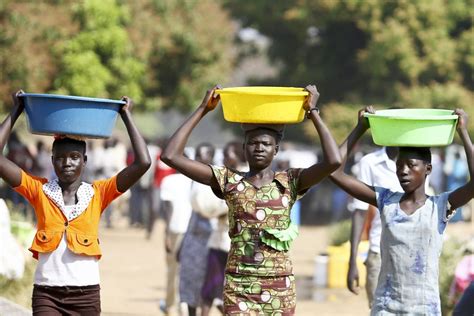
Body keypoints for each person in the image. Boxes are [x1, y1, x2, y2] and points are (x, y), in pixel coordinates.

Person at [161, 84, 341, 314]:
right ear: (244, 148)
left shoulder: (290, 181)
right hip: (239, 286)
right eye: (253, 143)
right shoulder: (228, 181)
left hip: (279, 286)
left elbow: (333, 161)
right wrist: (202, 110)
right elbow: (170, 155)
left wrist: (313, 112)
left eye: (266, 144)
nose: (259, 148)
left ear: (276, 149)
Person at [0, 91, 151, 315]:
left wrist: (126, 116)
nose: (67, 163)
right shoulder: (39, 191)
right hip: (47, 293)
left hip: (86, 295)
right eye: (60, 158)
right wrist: (18, 110)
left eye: (74, 157)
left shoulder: (98, 193)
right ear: (52, 161)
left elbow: (143, 162)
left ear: (85, 160)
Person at [329, 106, 473, 315]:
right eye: (399, 165)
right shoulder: (386, 200)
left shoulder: (440, 206)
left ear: (428, 169)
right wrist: (360, 128)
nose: (403, 171)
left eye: (411, 165)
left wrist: (463, 132)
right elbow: (334, 171)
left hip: (424, 309)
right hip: (386, 308)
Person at [346, 146, 402, 307]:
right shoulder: (370, 163)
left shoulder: (419, 158)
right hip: (379, 251)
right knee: (380, 309)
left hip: (412, 253)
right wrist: (352, 261)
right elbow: (360, 211)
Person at [200, 141, 247, 316]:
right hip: (218, 241)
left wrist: (222, 209)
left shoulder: (246, 177)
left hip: (236, 246)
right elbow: (210, 207)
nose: (226, 159)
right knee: (209, 287)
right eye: (225, 155)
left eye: (230, 155)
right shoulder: (222, 176)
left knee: (233, 292)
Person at [178, 143, 222, 316]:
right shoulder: (193, 182)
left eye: (205, 155)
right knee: (189, 284)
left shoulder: (219, 178)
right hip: (193, 241)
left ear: (211, 157)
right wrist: (183, 244)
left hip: (215, 241)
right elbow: (193, 214)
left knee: (213, 287)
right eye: (198, 154)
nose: (200, 159)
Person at [159, 164, 193, 316]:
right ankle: (182, 305)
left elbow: (168, 208)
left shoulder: (169, 180)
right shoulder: (196, 180)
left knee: (173, 269)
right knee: (186, 271)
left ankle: (171, 306)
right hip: (193, 231)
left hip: (175, 229)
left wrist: (166, 234)